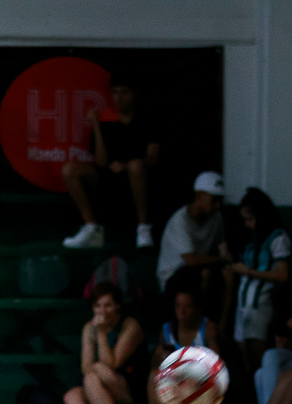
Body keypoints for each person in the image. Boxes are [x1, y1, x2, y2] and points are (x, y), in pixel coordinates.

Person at [62, 74, 160, 249]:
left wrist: (126, 165)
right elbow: (101, 162)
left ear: (134, 94)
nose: (119, 98)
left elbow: (152, 159)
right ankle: (92, 228)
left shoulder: (147, 118)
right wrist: (96, 126)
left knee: (135, 166)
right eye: (115, 93)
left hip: (137, 177)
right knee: (69, 170)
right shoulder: (107, 118)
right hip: (108, 177)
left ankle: (143, 228)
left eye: (124, 93)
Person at [63, 283, 146, 404]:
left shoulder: (130, 326)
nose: (102, 311)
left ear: (117, 306)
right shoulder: (89, 328)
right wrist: (96, 332)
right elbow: (86, 367)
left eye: (107, 305)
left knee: (99, 371)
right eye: (97, 306)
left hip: (127, 388)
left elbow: (112, 365)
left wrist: (101, 334)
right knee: (71, 396)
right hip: (97, 386)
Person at [223, 187, 290, 380]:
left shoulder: (277, 237)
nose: (248, 224)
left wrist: (250, 272)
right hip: (243, 303)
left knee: (257, 355)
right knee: (242, 352)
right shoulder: (252, 238)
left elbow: (283, 274)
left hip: (261, 303)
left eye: (250, 219)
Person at [147, 286, 220, 404]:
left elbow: (216, 362)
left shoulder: (208, 328)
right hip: (175, 387)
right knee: (154, 374)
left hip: (199, 385)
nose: (182, 311)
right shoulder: (167, 330)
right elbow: (154, 365)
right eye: (178, 306)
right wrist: (161, 355)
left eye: (187, 307)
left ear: (197, 309)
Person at [156, 172, 228, 300]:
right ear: (199, 195)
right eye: (214, 200)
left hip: (199, 270)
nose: (218, 205)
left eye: (220, 200)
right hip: (173, 275)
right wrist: (221, 260)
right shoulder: (180, 220)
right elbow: (190, 260)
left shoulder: (216, 217)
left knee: (226, 274)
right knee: (205, 274)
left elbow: (220, 246)